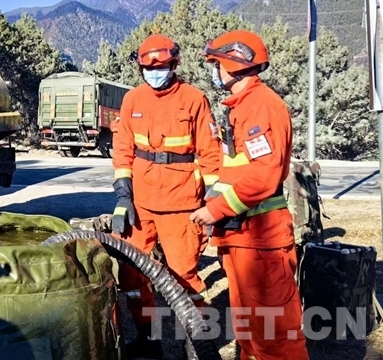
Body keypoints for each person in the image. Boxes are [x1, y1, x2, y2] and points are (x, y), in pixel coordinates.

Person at [190, 30, 309, 360]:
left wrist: (216, 210)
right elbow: (237, 170)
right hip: (242, 238)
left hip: (262, 242)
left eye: (216, 64)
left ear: (234, 63)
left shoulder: (260, 106)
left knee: (274, 337)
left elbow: (264, 174)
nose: (215, 71)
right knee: (250, 333)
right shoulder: (242, 107)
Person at [112, 34, 220, 359]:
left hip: (182, 206)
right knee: (131, 275)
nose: (155, 73)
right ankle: (149, 338)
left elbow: (210, 153)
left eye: (161, 67)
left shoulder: (194, 99)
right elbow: (123, 150)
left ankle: (196, 345)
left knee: (183, 277)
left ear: (174, 65)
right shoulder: (133, 99)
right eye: (148, 68)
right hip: (140, 205)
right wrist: (123, 196)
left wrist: (213, 203)